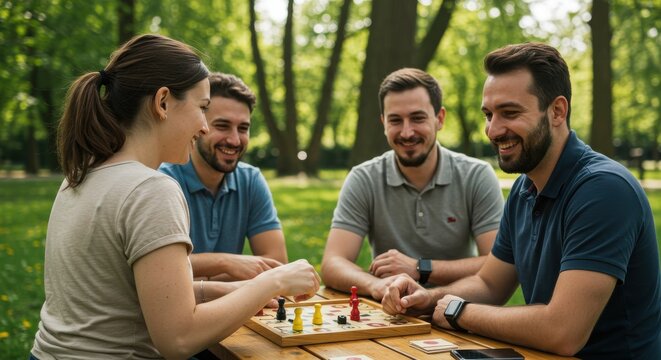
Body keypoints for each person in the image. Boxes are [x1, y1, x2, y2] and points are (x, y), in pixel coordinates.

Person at [30, 34, 320, 360]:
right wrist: (274, 282)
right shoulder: (151, 189)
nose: (204, 127)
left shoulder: (80, 174)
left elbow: (133, 297)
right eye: (203, 108)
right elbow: (179, 339)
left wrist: (239, 290)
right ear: (163, 102)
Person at [381, 43, 661, 359]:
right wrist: (428, 299)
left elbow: (562, 332)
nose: (493, 130)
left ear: (557, 111)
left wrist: (459, 311)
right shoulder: (524, 188)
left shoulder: (604, 189)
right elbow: (490, 284)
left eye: (510, 113)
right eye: (489, 114)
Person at [321, 68, 504, 300]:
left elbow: (497, 264)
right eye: (395, 120)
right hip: (391, 311)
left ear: (440, 119)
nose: (407, 132)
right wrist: (375, 286)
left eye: (417, 118)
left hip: (457, 310)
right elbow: (333, 263)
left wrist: (421, 268)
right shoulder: (363, 178)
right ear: (383, 123)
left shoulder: (476, 176)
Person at [160, 73, 286, 282]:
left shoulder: (250, 180)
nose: (235, 140)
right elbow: (160, 270)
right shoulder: (164, 181)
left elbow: (276, 262)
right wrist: (226, 262)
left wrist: (197, 270)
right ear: (198, 125)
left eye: (243, 128)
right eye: (222, 126)